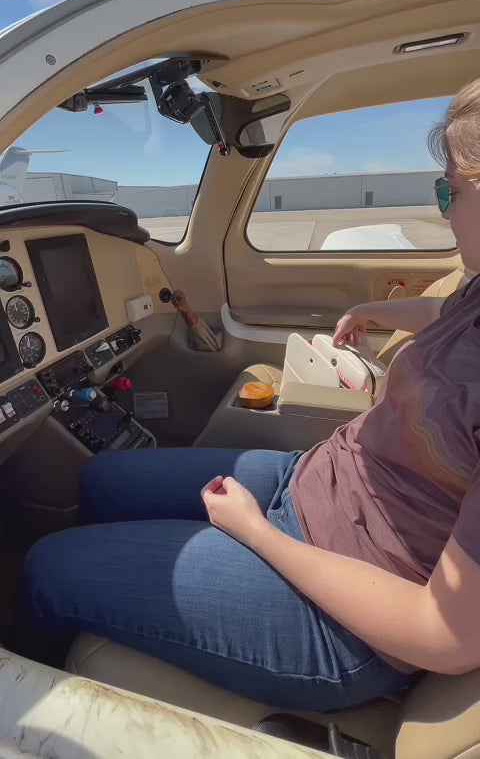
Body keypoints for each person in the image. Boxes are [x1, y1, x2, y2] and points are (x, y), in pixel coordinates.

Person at [18, 79, 480, 712]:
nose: (444, 210)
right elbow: (445, 312)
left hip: (343, 622)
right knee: (99, 480)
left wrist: (257, 534)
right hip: (318, 483)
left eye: (449, 190)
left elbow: (446, 638)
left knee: (47, 567)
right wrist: (375, 307)